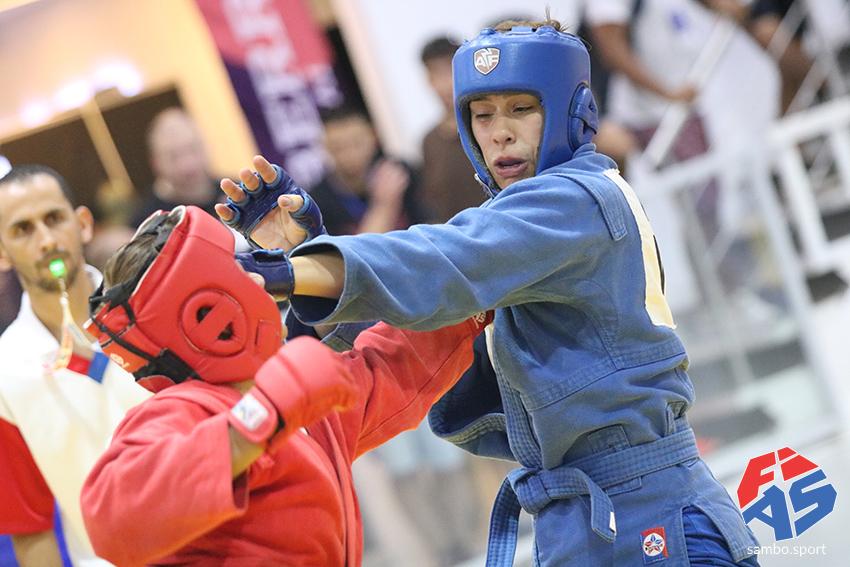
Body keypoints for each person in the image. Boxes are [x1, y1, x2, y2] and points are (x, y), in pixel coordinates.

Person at [217, 16, 760, 566]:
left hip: (647, 512)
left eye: (521, 108)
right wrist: (307, 258)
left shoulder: (577, 198)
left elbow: (445, 258)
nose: (499, 132)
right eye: (482, 115)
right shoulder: (519, 240)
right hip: (579, 519)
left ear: (572, 111)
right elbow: (431, 343)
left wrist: (295, 271)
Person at [79, 204, 490, 566]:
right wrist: (257, 420)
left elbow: (393, 363)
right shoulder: (180, 411)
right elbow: (112, 519)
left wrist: (487, 281)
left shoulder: (290, 396)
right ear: (206, 314)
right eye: (238, 270)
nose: (260, 282)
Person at [0, 165, 150, 566]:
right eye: (23, 229)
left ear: (83, 224)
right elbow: (30, 528)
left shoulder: (153, 308)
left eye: (54, 219)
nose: (47, 240)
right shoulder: (4, 373)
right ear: (2, 253)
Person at [308, 105, 428, 235]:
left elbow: (431, 225)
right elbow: (351, 248)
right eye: (338, 147)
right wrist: (383, 206)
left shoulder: (401, 173)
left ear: (374, 137)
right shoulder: (318, 202)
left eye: (357, 143)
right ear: (325, 148)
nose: (350, 154)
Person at [419, 36, 486, 222]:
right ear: (429, 80)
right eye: (436, 73)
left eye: (451, 70)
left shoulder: (488, 124)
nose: (447, 83)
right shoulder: (430, 142)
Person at [131, 107, 223, 227]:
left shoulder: (236, 195)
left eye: (192, 149)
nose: (187, 165)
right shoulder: (148, 225)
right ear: (155, 164)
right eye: (173, 157)